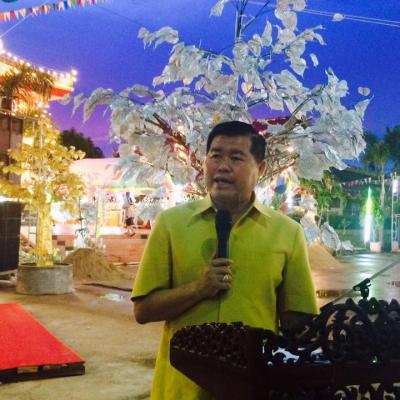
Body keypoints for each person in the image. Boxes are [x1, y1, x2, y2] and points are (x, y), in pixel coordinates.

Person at [131, 121, 318, 399]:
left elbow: (297, 322)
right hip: (181, 388)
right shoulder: (171, 224)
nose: (223, 166)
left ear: (261, 169)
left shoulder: (287, 233)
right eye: (216, 156)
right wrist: (198, 288)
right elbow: (143, 310)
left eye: (236, 158)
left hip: (253, 387)